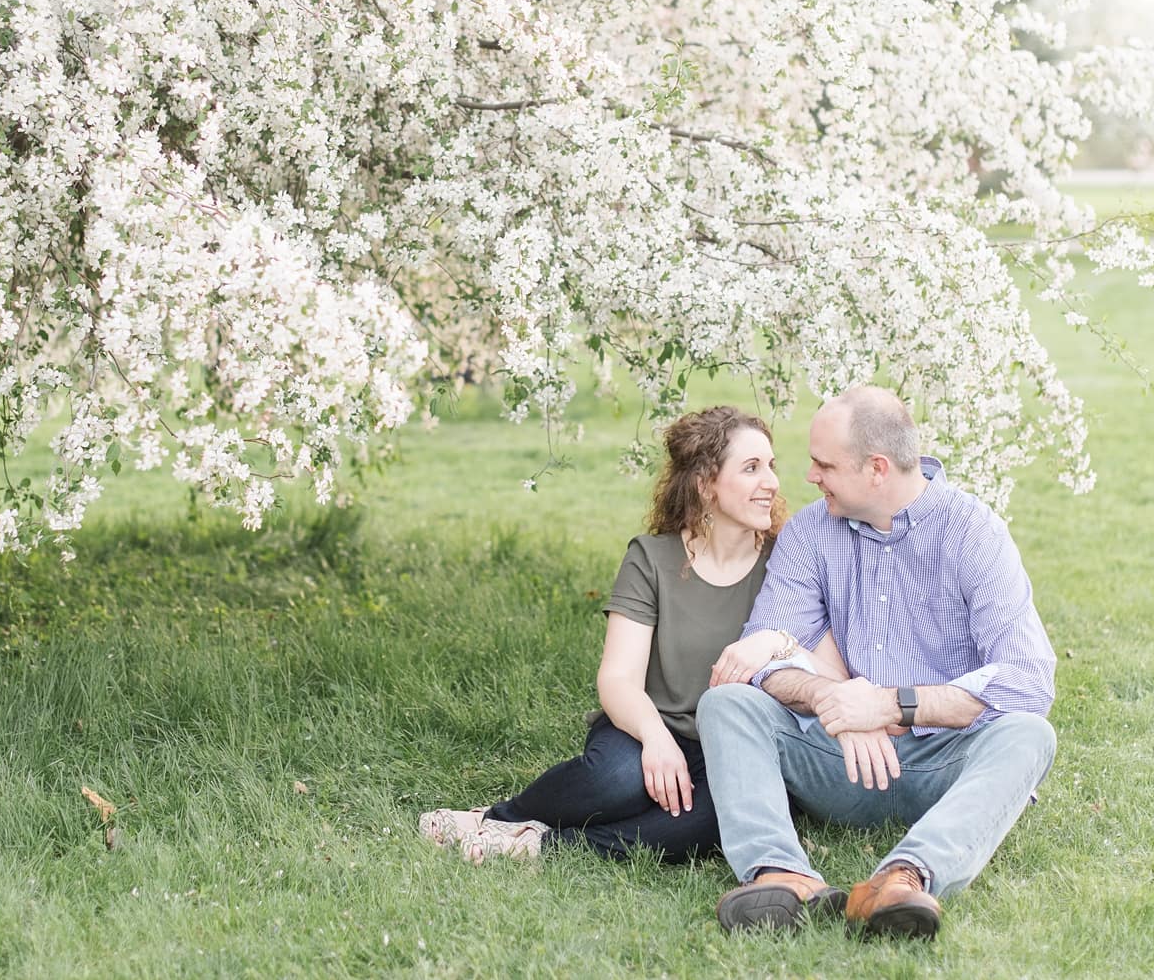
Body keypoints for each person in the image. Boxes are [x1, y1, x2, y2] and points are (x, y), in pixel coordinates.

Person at [696, 386, 1057, 940]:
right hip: (838, 756)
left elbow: (1027, 680)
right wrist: (831, 699)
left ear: (877, 470)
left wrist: (887, 705)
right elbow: (767, 652)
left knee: (1030, 734)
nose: (810, 478)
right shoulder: (810, 532)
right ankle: (783, 876)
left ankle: (902, 880)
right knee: (727, 702)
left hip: (946, 764)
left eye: (824, 465)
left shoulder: (972, 531)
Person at [418, 405, 796, 863]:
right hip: (643, 726)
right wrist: (657, 740)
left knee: (712, 818)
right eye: (752, 468)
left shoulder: (787, 562)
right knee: (617, 781)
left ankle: (545, 846)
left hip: (733, 743)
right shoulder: (652, 558)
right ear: (705, 484)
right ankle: (500, 817)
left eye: (771, 466)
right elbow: (618, 679)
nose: (771, 482)